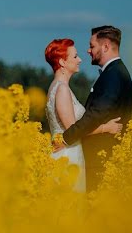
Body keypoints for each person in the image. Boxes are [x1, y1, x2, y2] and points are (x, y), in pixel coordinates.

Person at [58, 26, 132, 192]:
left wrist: (65, 139)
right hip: (104, 158)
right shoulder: (116, 72)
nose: (88, 51)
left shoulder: (113, 75)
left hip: (101, 158)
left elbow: (96, 114)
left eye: (92, 46)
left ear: (105, 46)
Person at [45, 37, 123, 192]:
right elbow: (74, 130)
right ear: (62, 62)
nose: (80, 59)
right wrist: (106, 128)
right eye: (74, 56)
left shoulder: (57, 87)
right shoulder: (62, 90)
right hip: (68, 157)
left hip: (66, 153)